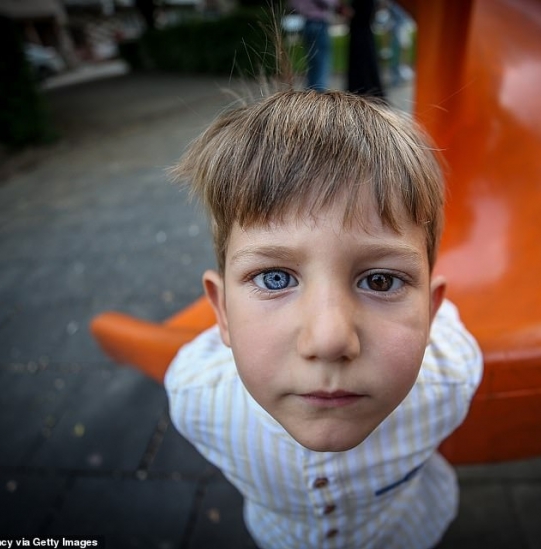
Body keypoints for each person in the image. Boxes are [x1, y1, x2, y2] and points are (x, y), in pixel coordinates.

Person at [165, 90, 483, 549]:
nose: (330, 340)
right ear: (223, 313)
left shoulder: (452, 380)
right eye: (275, 278)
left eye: (380, 281)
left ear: (430, 313)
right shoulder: (196, 400)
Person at [290, 0, 340, 91]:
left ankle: (311, 94)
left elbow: (294, 4)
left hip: (307, 22)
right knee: (320, 66)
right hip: (318, 23)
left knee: (313, 65)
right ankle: (318, 96)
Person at [346, 0, 385, 98]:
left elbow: (362, 14)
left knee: (363, 66)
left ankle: (363, 89)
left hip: (361, 32)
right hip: (361, 32)